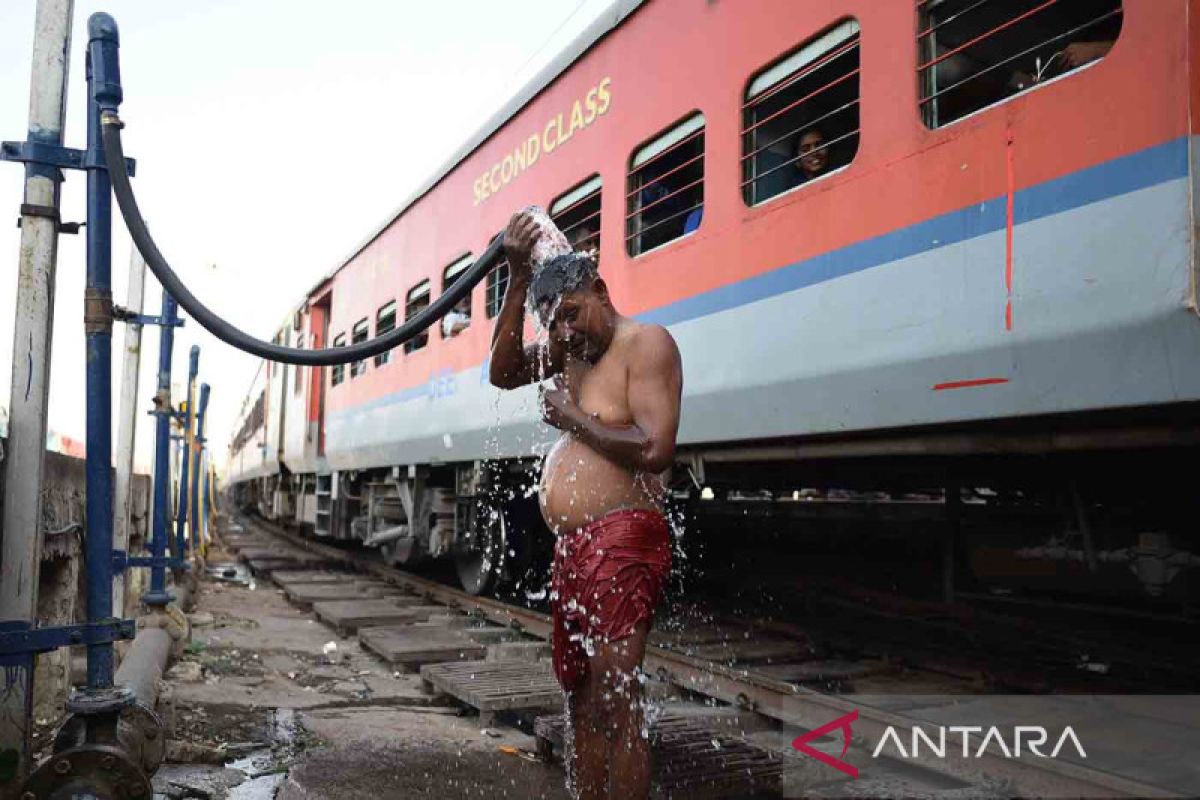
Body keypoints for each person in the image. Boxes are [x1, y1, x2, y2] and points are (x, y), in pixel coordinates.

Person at [489, 209, 683, 800]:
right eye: (555, 325)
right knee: (579, 695)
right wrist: (519, 279)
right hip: (575, 549)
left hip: (625, 539)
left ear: (600, 290)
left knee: (617, 695)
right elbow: (502, 373)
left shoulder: (645, 344)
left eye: (572, 314)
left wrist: (573, 418)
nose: (567, 332)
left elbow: (653, 447)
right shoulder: (570, 351)